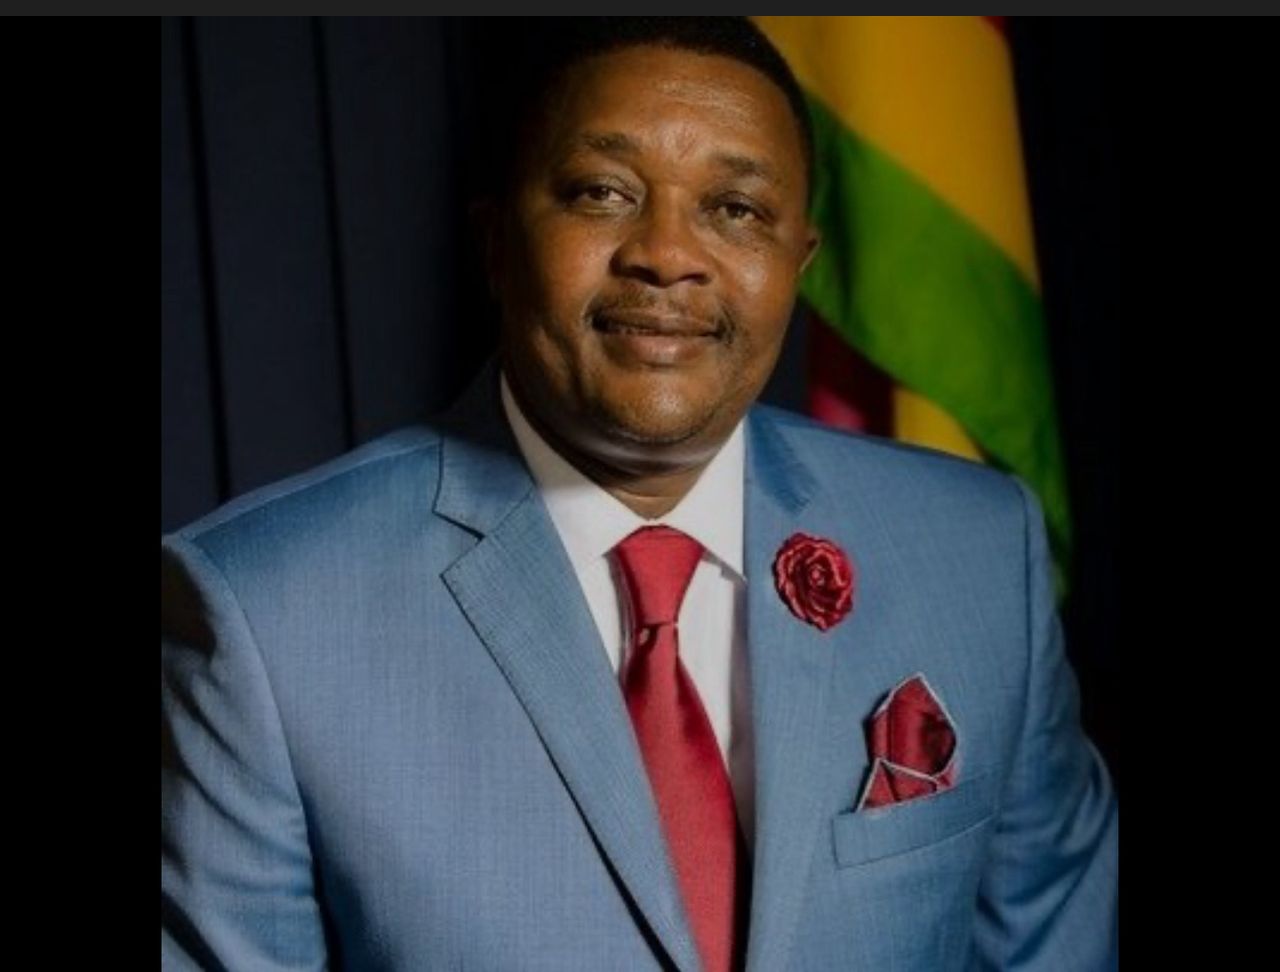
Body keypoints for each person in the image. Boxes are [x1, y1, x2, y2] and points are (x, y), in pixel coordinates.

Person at [162, 17, 1118, 971]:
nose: (667, 254)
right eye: (603, 193)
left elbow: (1049, 944)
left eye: (735, 209)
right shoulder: (263, 614)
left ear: (800, 263)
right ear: (496, 242)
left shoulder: (978, 551)